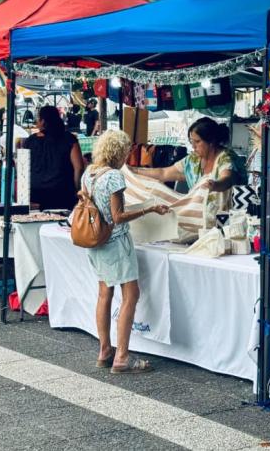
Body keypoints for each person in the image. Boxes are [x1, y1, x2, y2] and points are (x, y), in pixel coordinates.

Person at [83, 129, 168, 374]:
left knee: (103, 293)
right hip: (116, 243)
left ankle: (104, 350)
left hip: (97, 240)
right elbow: (118, 216)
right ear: (119, 152)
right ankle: (122, 355)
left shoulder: (89, 174)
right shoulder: (114, 178)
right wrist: (149, 209)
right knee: (131, 294)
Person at [133, 117, 245, 216]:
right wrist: (135, 171)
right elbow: (163, 173)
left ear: (211, 141)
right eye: (192, 141)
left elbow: (227, 179)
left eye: (197, 141)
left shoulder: (226, 158)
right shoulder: (193, 160)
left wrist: (214, 185)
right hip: (200, 218)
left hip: (227, 219)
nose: (193, 146)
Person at [22, 106, 83, 210]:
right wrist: (77, 190)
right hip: (62, 194)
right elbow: (79, 168)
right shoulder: (69, 139)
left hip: (35, 195)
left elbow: (22, 171)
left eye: (38, 118)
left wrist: (23, 198)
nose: (36, 121)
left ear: (43, 121)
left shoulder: (29, 141)